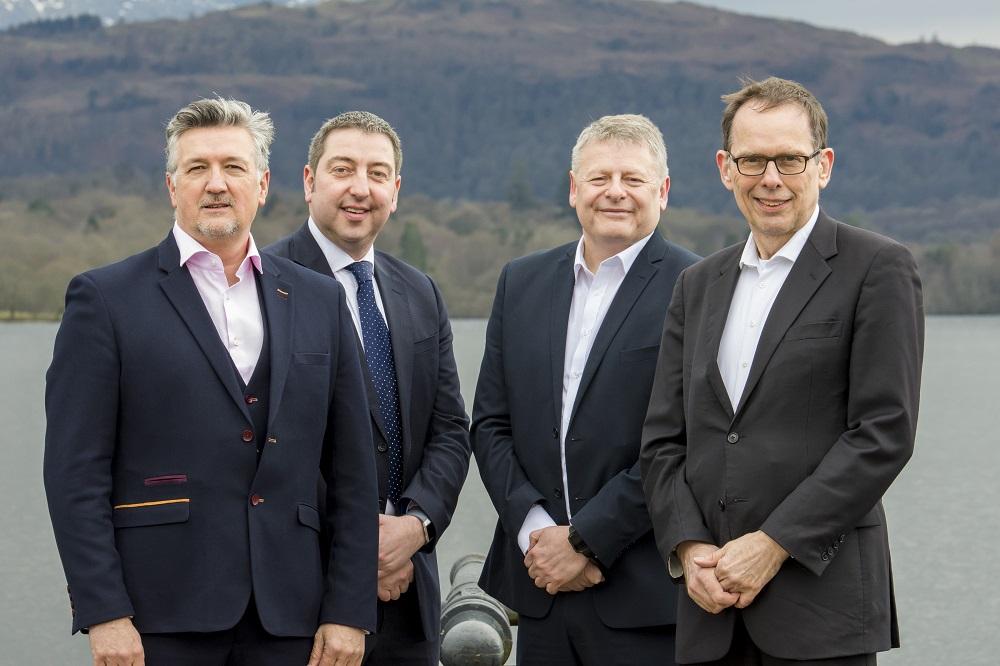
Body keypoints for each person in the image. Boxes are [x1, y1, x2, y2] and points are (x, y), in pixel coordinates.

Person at [43, 98, 378, 666]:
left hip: (291, 617)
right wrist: (104, 612)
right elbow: (75, 473)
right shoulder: (104, 299)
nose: (216, 184)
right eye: (197, 168)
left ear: (264, 183)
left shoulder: (320, 300)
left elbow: (351, 471)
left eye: (234, 167)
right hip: (157, 617)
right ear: (173, 186)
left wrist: (348, 611)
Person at [640, 76, 924, 664]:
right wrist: (689, 547)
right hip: (708, 612)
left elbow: (883, 434)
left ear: (823, 165)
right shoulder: (696, 285)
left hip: (822, 609)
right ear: (725, 167)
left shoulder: (878, 268)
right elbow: (664, 439)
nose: (771, 179)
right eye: (753, 160)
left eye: (790, 159)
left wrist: (773, 545)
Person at [471, 114, 700, 665]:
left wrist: (587, 540)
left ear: (663, 192)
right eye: (599, 178)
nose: (615, 192)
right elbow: (490, 423)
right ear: (574, 189)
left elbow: (690, 440)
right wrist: (535, 533)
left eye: (633, 179)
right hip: (540, 589)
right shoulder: (520, 282)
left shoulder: (698, 287)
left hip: (643, 595)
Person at [266, 110, 471, 666]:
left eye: (378, 173)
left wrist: (414, 526)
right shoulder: (262, 285)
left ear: (396, 191)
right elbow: (266, 447)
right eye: (343, 169)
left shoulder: (419, 291)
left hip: (410, 598)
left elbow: (450, 429)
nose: (361, 188)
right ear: (309, 182)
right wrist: (363, 550)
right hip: (303, 597)